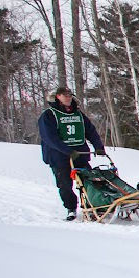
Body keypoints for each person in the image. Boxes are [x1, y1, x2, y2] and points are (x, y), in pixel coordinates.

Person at [38, 85, 106, 221]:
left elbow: (90, 131)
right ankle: (71, 208)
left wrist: (98, 146)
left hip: (79, 154)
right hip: (59, 156)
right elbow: (50, 138)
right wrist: (68, 151)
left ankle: (93, 205)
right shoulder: (49, 115)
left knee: (89, 181)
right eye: (65, 95)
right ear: (58, 97)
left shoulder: (78, 114)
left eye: (70, 95)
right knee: (64, 184)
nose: (68, 97)